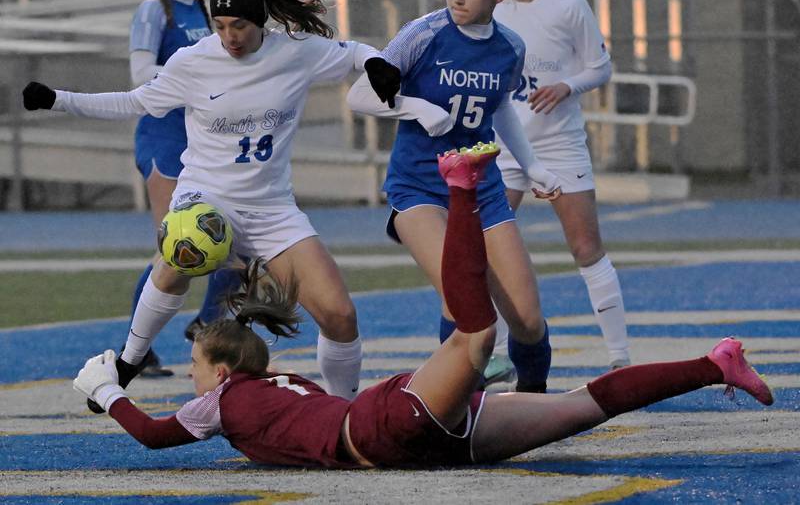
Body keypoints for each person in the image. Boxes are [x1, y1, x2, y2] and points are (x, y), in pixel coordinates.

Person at [72, 144, 774, 469]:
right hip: (420, 439)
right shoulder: (283, 388)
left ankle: (462, 187)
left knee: (476, 331)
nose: (193, 378)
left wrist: (108, 390)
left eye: (195, 365)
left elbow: (155, 436)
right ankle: (714, 364)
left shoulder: (224, 402)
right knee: (585, 407)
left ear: (223, 371)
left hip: (388, 426)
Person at [22, 0, 403, 405]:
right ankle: (130, 360)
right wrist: (57, 99)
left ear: (260, 20)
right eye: (220, 26)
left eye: (239, 25)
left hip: (270, 207)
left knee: (340, 315)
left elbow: (353, 52)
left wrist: (375, 62)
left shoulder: (296, 53)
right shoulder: (194, 60)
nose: (230, 36)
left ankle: (342, 412)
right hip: (205, 198)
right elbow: (135, 101)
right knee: (177, 255)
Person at [347, 0, 561, 393]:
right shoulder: (422, 34)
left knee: (527, 318)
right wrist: (418, 108)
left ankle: (534, 407)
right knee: (464, 304)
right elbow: (360, 93)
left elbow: (499, 106)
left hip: (481, 188)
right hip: (420, 188)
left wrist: (532, 164)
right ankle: (461, 407)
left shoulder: (509, 46)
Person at [491, 0, 630, 370]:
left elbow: (600, 66)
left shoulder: (568, 4)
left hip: (558, 143)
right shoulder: (488, 7)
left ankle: (620, 359)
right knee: (486, 247)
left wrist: (567, 86)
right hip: (503, 146)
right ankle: (493, 357)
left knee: (586, 245)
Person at [127, 0, 238, 377]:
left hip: (208, 141)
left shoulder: (213, 13)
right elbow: (140, 75)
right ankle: (136, 348)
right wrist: (196, 77)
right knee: (175, 247)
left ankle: (208, 323)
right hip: (165, 138)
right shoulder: (153, 11)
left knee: (235, 241)